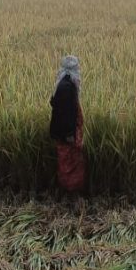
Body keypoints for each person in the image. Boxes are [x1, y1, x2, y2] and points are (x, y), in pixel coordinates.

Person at [50, 55, 85, 193]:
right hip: (67, 134)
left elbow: (55, 104)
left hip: (65, 132)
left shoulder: (64, 83)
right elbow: (65, 114)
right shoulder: (67, 87)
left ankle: (69, 190)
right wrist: (69, 134)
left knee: (68, 161)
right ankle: (71, 191)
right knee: (69, 163)